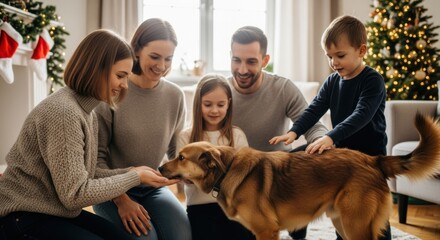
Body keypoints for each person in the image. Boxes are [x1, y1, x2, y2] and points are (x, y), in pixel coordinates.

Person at [0, 29, 180, 239]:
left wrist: (134, 171)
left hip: (55, 211)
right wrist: (134, 176)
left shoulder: (86, 109)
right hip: (24, 217)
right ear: (97, 69)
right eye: (120, 76)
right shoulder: (64, 113)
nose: (124, 85)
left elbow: (88, 172)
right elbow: (75, 194)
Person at [269, 15, 391, 240]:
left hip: (369, 157)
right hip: (343, 156)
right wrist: (294, 131)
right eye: (329, 56)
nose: (334, 62)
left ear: (361, 50)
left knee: (369, 211)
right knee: (296, 161)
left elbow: (361, 115)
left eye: (340, 55)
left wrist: (331, 137)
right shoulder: (332, 81)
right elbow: (314, 109)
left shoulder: (373, 81)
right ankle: (300, 225)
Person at [92, 18, 191, 240]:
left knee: (182, 235)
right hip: (112, 190)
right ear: (136, 50)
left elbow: (177, 152)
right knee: (146, 237)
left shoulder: (175, 96)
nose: (162, 66)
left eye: (168, 59)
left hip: (152, 186)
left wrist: (187, 173)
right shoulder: (113, 92)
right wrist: (122, 200)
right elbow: (96, 160)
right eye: (155, 57)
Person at [227, 26, 328, 239]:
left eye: (251, 62)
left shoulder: (282, 88)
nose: (242, 69)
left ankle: (296, 223)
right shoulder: (220, 91)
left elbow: (311, 124)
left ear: (264, 61)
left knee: (308, 153)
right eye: (237, 60)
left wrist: (321, 140)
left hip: (279, 175)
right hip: (239, 179)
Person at [176, 73, 254, 240]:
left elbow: (245, 174)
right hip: (200, 207)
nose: (214, 110)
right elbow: (184, 175)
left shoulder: (236, 135)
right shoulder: (186, 136)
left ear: (229, 104)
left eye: (220, 104)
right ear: (198, 104)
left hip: (234, 205)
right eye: (207, 104)